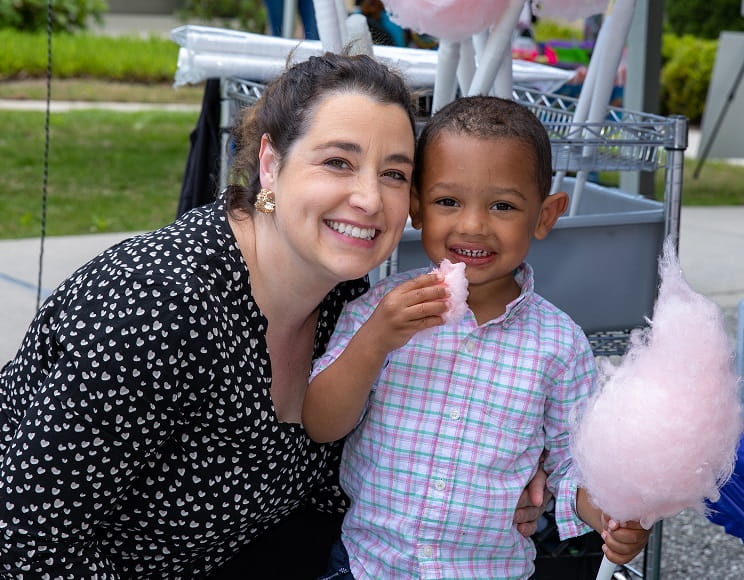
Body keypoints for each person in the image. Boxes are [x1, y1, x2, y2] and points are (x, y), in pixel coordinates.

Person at [0, 55, 544, 578]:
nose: (368, 198)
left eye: (394, 174)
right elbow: (30, 539)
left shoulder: (346, 300)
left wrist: (498, 477)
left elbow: (351, 474)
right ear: (270, 164)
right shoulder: (160, 305)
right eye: (338, 162)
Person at [303, 95, 651, 579]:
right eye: (448, 201)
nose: (472, 225)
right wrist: (375, 340)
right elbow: (321, 422)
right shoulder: (378, 312)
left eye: (502, 206)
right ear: (417, 207)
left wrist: (609, 513)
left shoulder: (559, 344)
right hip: (368, 565)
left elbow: (576, 463)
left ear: (545, 215)